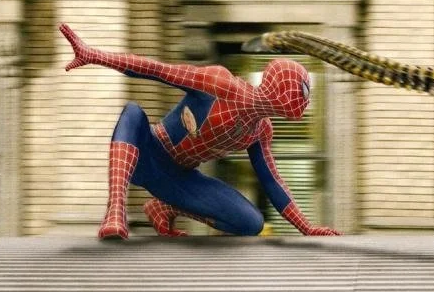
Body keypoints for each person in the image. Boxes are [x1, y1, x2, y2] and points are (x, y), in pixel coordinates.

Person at [60, 23, 340, 239]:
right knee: (133, 113)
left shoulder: (260, 130)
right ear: (280, 85)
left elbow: (272, 181)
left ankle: (165, 207)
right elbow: (155, 70)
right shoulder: (219, 83)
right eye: (303, 90)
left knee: (250, 223)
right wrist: (95, 56)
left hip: (180, 179)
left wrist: (307, 228)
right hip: (147, 153)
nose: (305, 99)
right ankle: (115, 211)